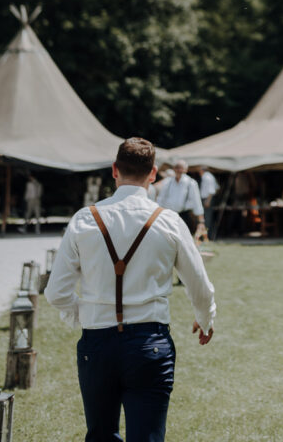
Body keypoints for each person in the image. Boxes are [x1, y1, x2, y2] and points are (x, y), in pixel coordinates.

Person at [46, 137, 215, 442]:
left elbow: (56, 292)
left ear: (114, 170)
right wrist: (205, 318)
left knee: (100, 435)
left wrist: (84, 316)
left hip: (96, 343)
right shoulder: (169, 222)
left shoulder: (85, 219)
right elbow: (199, 285)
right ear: (153, 175)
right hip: (149, 343)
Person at [156, 160, 206, 240]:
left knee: (184, 239)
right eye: (177, 168)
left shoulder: (191, 183)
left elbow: (197, 202)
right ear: (174, 169)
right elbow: (161, 199)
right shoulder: (167, 182)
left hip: (184, 215)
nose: (179, 170)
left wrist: (201, 221)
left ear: (186, 170)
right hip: (169, 215)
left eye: (181, 168)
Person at [198, 167, 219, 235]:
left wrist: (208, 200)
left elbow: (211, 190)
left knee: (207, 218)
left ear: (202, 170)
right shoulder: (210, 176)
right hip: (208, 198)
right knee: (207, 217)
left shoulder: (206, 177)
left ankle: (208, 235)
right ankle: (208, 234)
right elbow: (217, 188)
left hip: (207, 198)